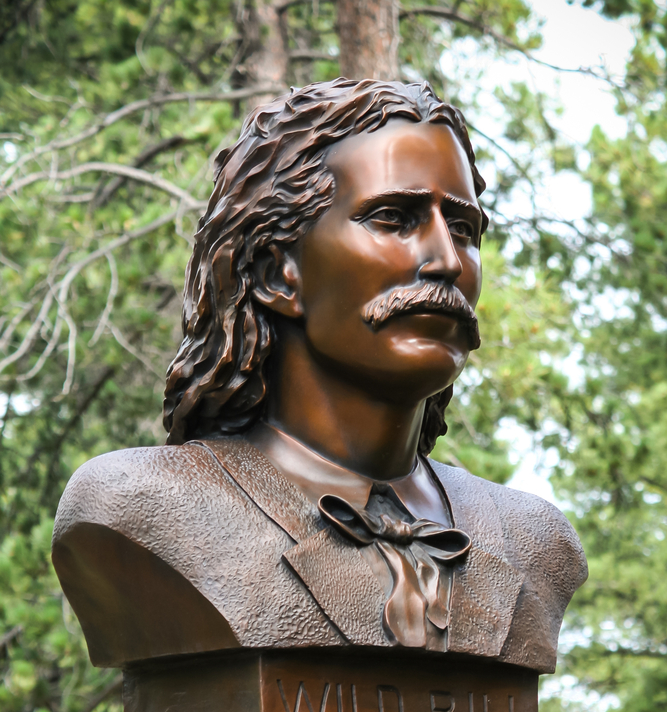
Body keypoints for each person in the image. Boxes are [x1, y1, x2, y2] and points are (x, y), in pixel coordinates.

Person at [52, 77, 587, 673]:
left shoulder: (533, 539)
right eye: (393, 218)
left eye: (463, 230)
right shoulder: (140, 506)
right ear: (277, 271)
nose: (446, 262)